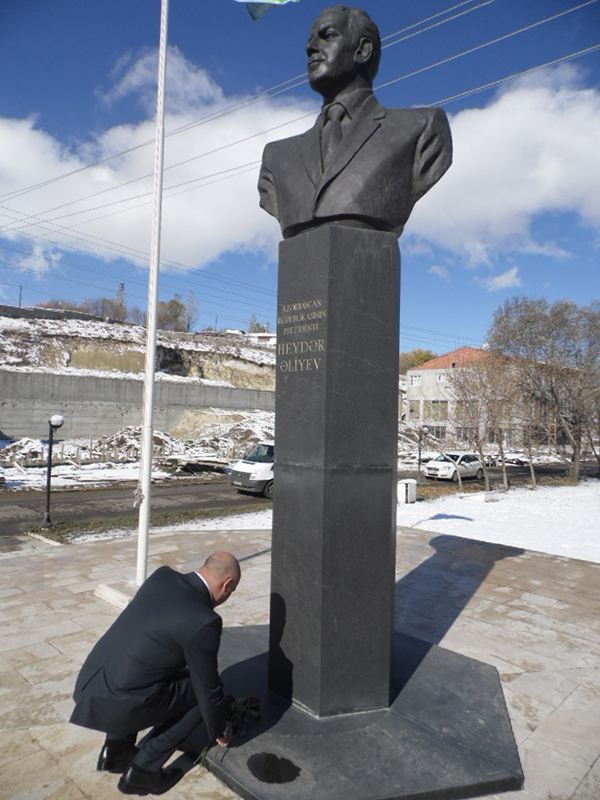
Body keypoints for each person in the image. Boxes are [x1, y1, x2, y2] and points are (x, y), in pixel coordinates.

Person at [258, 4, 452, 240]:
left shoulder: (422, 128)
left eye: (328, 36)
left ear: (363, 50)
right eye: (310, 40)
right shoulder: (277, 157)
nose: (310, 48)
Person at [70, 552, 241, 796]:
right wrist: (219, 728)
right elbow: (208, 688)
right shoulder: (204, 621)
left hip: (91, 682)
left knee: (147, 664)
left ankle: (116, 751)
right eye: (231, 591)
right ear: (227, 584)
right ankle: (143, 771)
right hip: (119, 701)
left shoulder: (162, 577)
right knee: (199, 695)